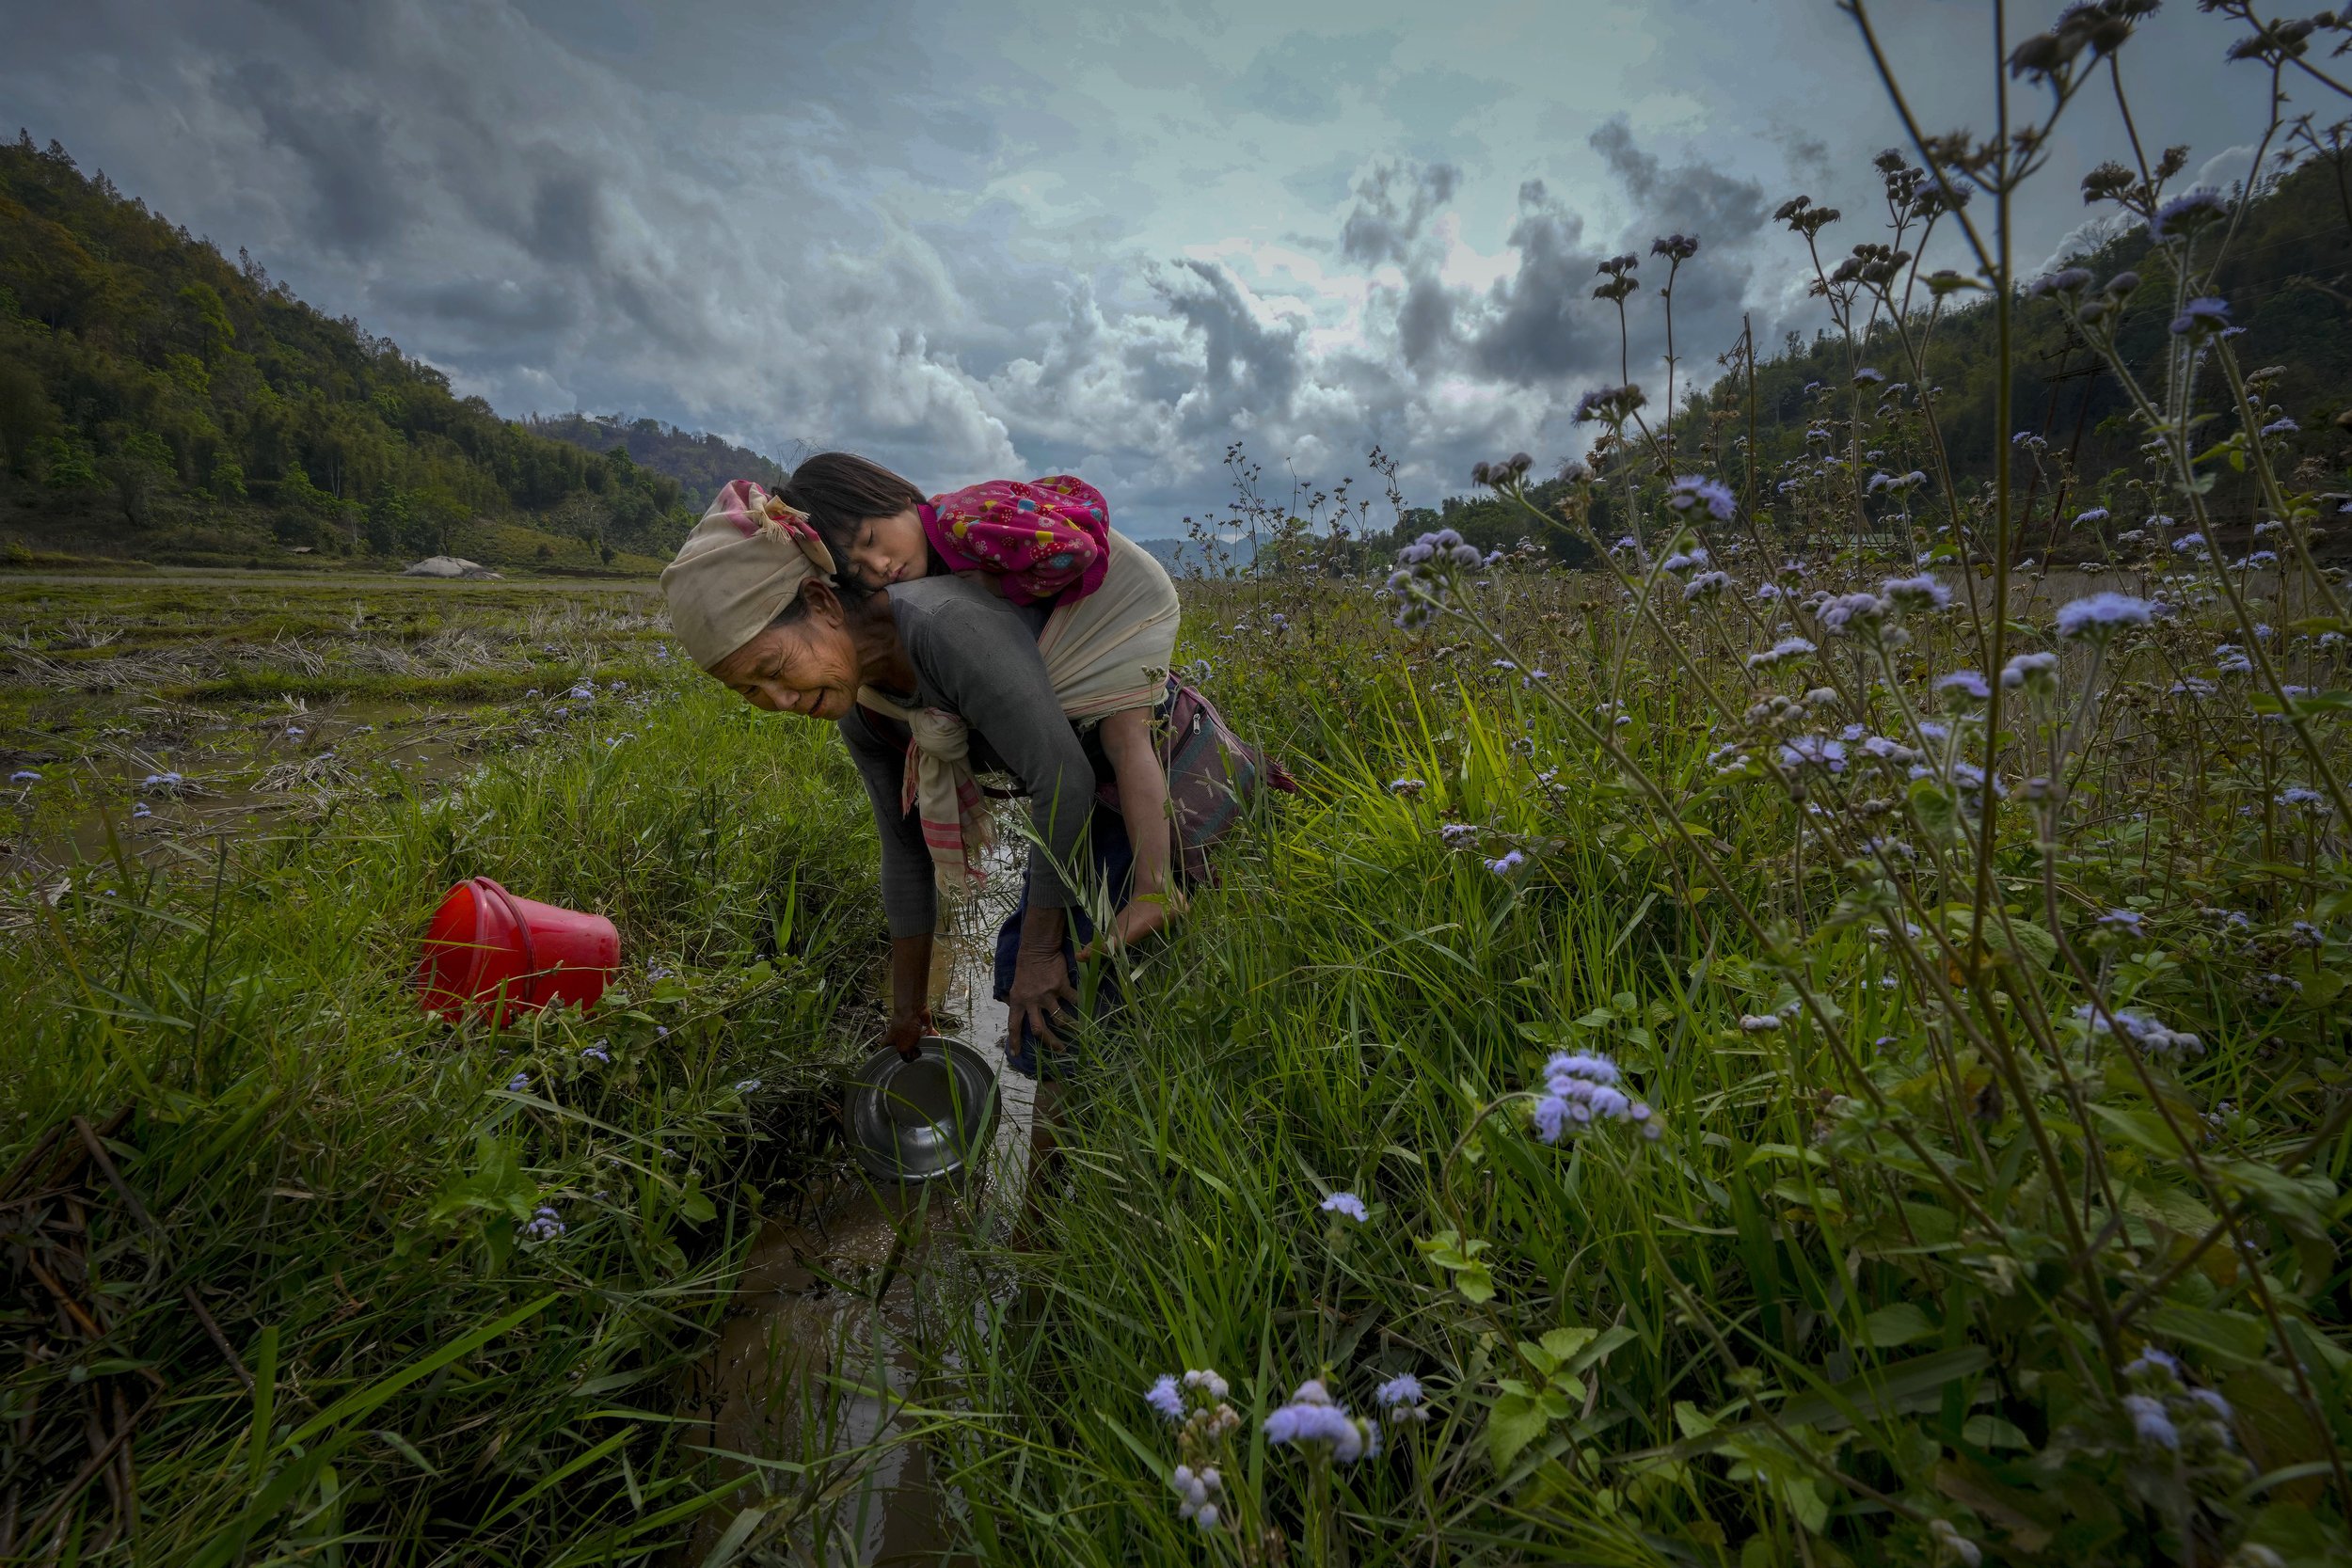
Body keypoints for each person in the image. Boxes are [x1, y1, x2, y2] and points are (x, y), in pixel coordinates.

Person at [658, 476, 1181, 1066]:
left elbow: (1062, 780)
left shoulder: (942, 624)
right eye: (750, 690)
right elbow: (904, 852)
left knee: (1054, 1009)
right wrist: (906, 1007)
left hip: (1146, 776)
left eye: (775, 666)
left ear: (824, 603)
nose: (778, 699)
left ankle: (1068, 1151)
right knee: (1040, 1009)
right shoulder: (865, 707)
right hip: (1075, 803)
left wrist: (1040, 952)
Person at [786, 453, 1179, 952]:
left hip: (1121, 601)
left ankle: (1156, 891)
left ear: (900, 497)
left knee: (1126, 736)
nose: (882, 566)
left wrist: (1003, 586)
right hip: (1078, 604)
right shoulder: (924, 578)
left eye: (871, 541)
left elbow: (1076, 550)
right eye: (860, 569)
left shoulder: (967, 522)